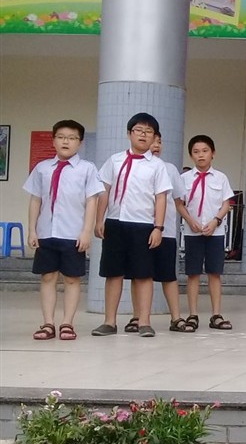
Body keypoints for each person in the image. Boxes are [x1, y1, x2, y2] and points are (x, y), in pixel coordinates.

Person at [92, 112, 173, 337]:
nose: (143, 135)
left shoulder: (157, 166)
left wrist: (158, 228)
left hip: (143, 225)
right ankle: (109, 322)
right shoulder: (115, 160)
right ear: (129, 133)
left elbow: (161, 197)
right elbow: (104, 191)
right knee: (113, 273)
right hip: (115, 222)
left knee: (143, 274)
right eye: (139, 130)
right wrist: (99, 220)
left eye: (149, 132)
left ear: (154, 137)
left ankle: (144, 322)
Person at [23, 119, 103, 341]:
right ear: (53, 140)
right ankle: (48, 323)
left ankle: (67, 323)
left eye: (71, 138)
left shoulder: (87, 169)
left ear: (80, 142)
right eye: (61, 137)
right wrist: (32, 230)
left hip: (73, 233)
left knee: (72, 279)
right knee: (48, 277)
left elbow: (92, 201)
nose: (66, 141)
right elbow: (36, 200)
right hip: (46, 231)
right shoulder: (42, 168)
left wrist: (86, 231)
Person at [180, 134, 236, 331]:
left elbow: (226, 203)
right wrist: (190, 221)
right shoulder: (184, 179)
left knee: (214, 273)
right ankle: (193, 314)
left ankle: (216, 315)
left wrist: (215, 221)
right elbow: (179, 203)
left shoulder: (221, 178)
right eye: (196, 152)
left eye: (205, 151)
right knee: (193, 273)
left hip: (215, 232)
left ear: (213, 153)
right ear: (191, 155)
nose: (201, 155)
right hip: (192, 232)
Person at [140, 131, 192, 334]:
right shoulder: (136, 167)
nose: (156, 145)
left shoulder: (169, 169)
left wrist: (191, 221)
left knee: (168, 276)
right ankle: (138, 318)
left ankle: (176, 318)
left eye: (159, 142)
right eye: (153, 141)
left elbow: (179, 201)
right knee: (140, 275)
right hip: (141, 229)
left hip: (166, 231)